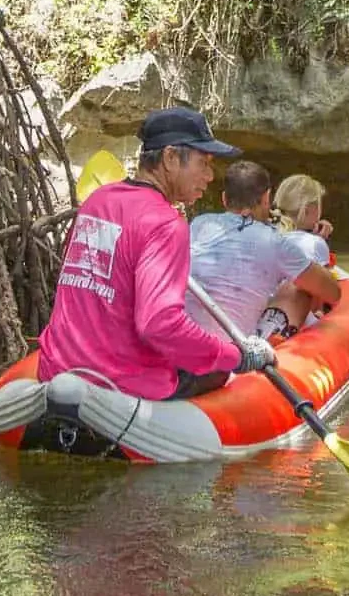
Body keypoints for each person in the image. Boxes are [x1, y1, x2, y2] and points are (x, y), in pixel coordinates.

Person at [36, 107, 274, 400]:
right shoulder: (165, 223)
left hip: (57, 371)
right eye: (204, 163)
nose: (210, 176)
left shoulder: (96, 202)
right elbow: (160, 325)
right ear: (171, 158)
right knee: (218, 370)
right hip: (122, 386)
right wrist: (236, 356)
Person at [186, 160, 341, 343]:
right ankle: (268, 340)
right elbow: (333, 293)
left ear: (224, 199)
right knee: (297, 286)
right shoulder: (275, 242)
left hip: (185, 338)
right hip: (233, 350)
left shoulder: (198, 224)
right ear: (267, 198)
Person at [272, 172, 335, 269]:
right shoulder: (314, 244)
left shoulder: (265, 235)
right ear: (307, 209)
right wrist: (321, 243)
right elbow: (325, 283)